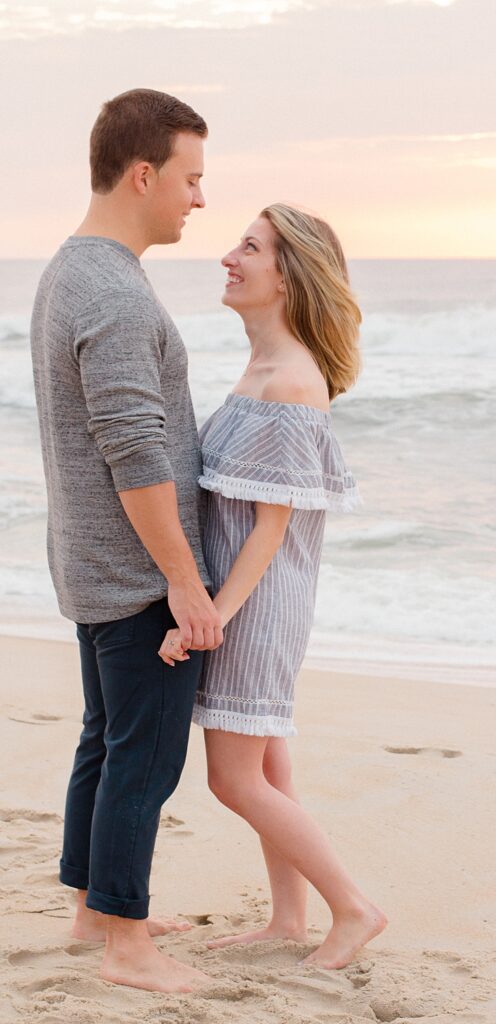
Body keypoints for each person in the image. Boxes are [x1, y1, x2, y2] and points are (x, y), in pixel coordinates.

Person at [158, 203, 387, 969]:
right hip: (252, 600)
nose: (229, 256)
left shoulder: (289, 382)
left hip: (255, 606)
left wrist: (211, 616)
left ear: (288, 276)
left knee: (232, 778)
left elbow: (271, 529)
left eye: (249, 248)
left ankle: (352, 909)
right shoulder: (262, 367)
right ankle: (290, 918)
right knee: (269, 767)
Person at [30, 88, 223, 993]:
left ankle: (94, 910)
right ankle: (128, 947)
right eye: (190, 178)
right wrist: (185, 581)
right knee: (142, 759)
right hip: (137, 574)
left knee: (106, 742)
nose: (198, 198)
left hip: (92, 564)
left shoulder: (74, 270)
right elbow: (135, 448)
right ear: (143, 174)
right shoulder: (108, 286)